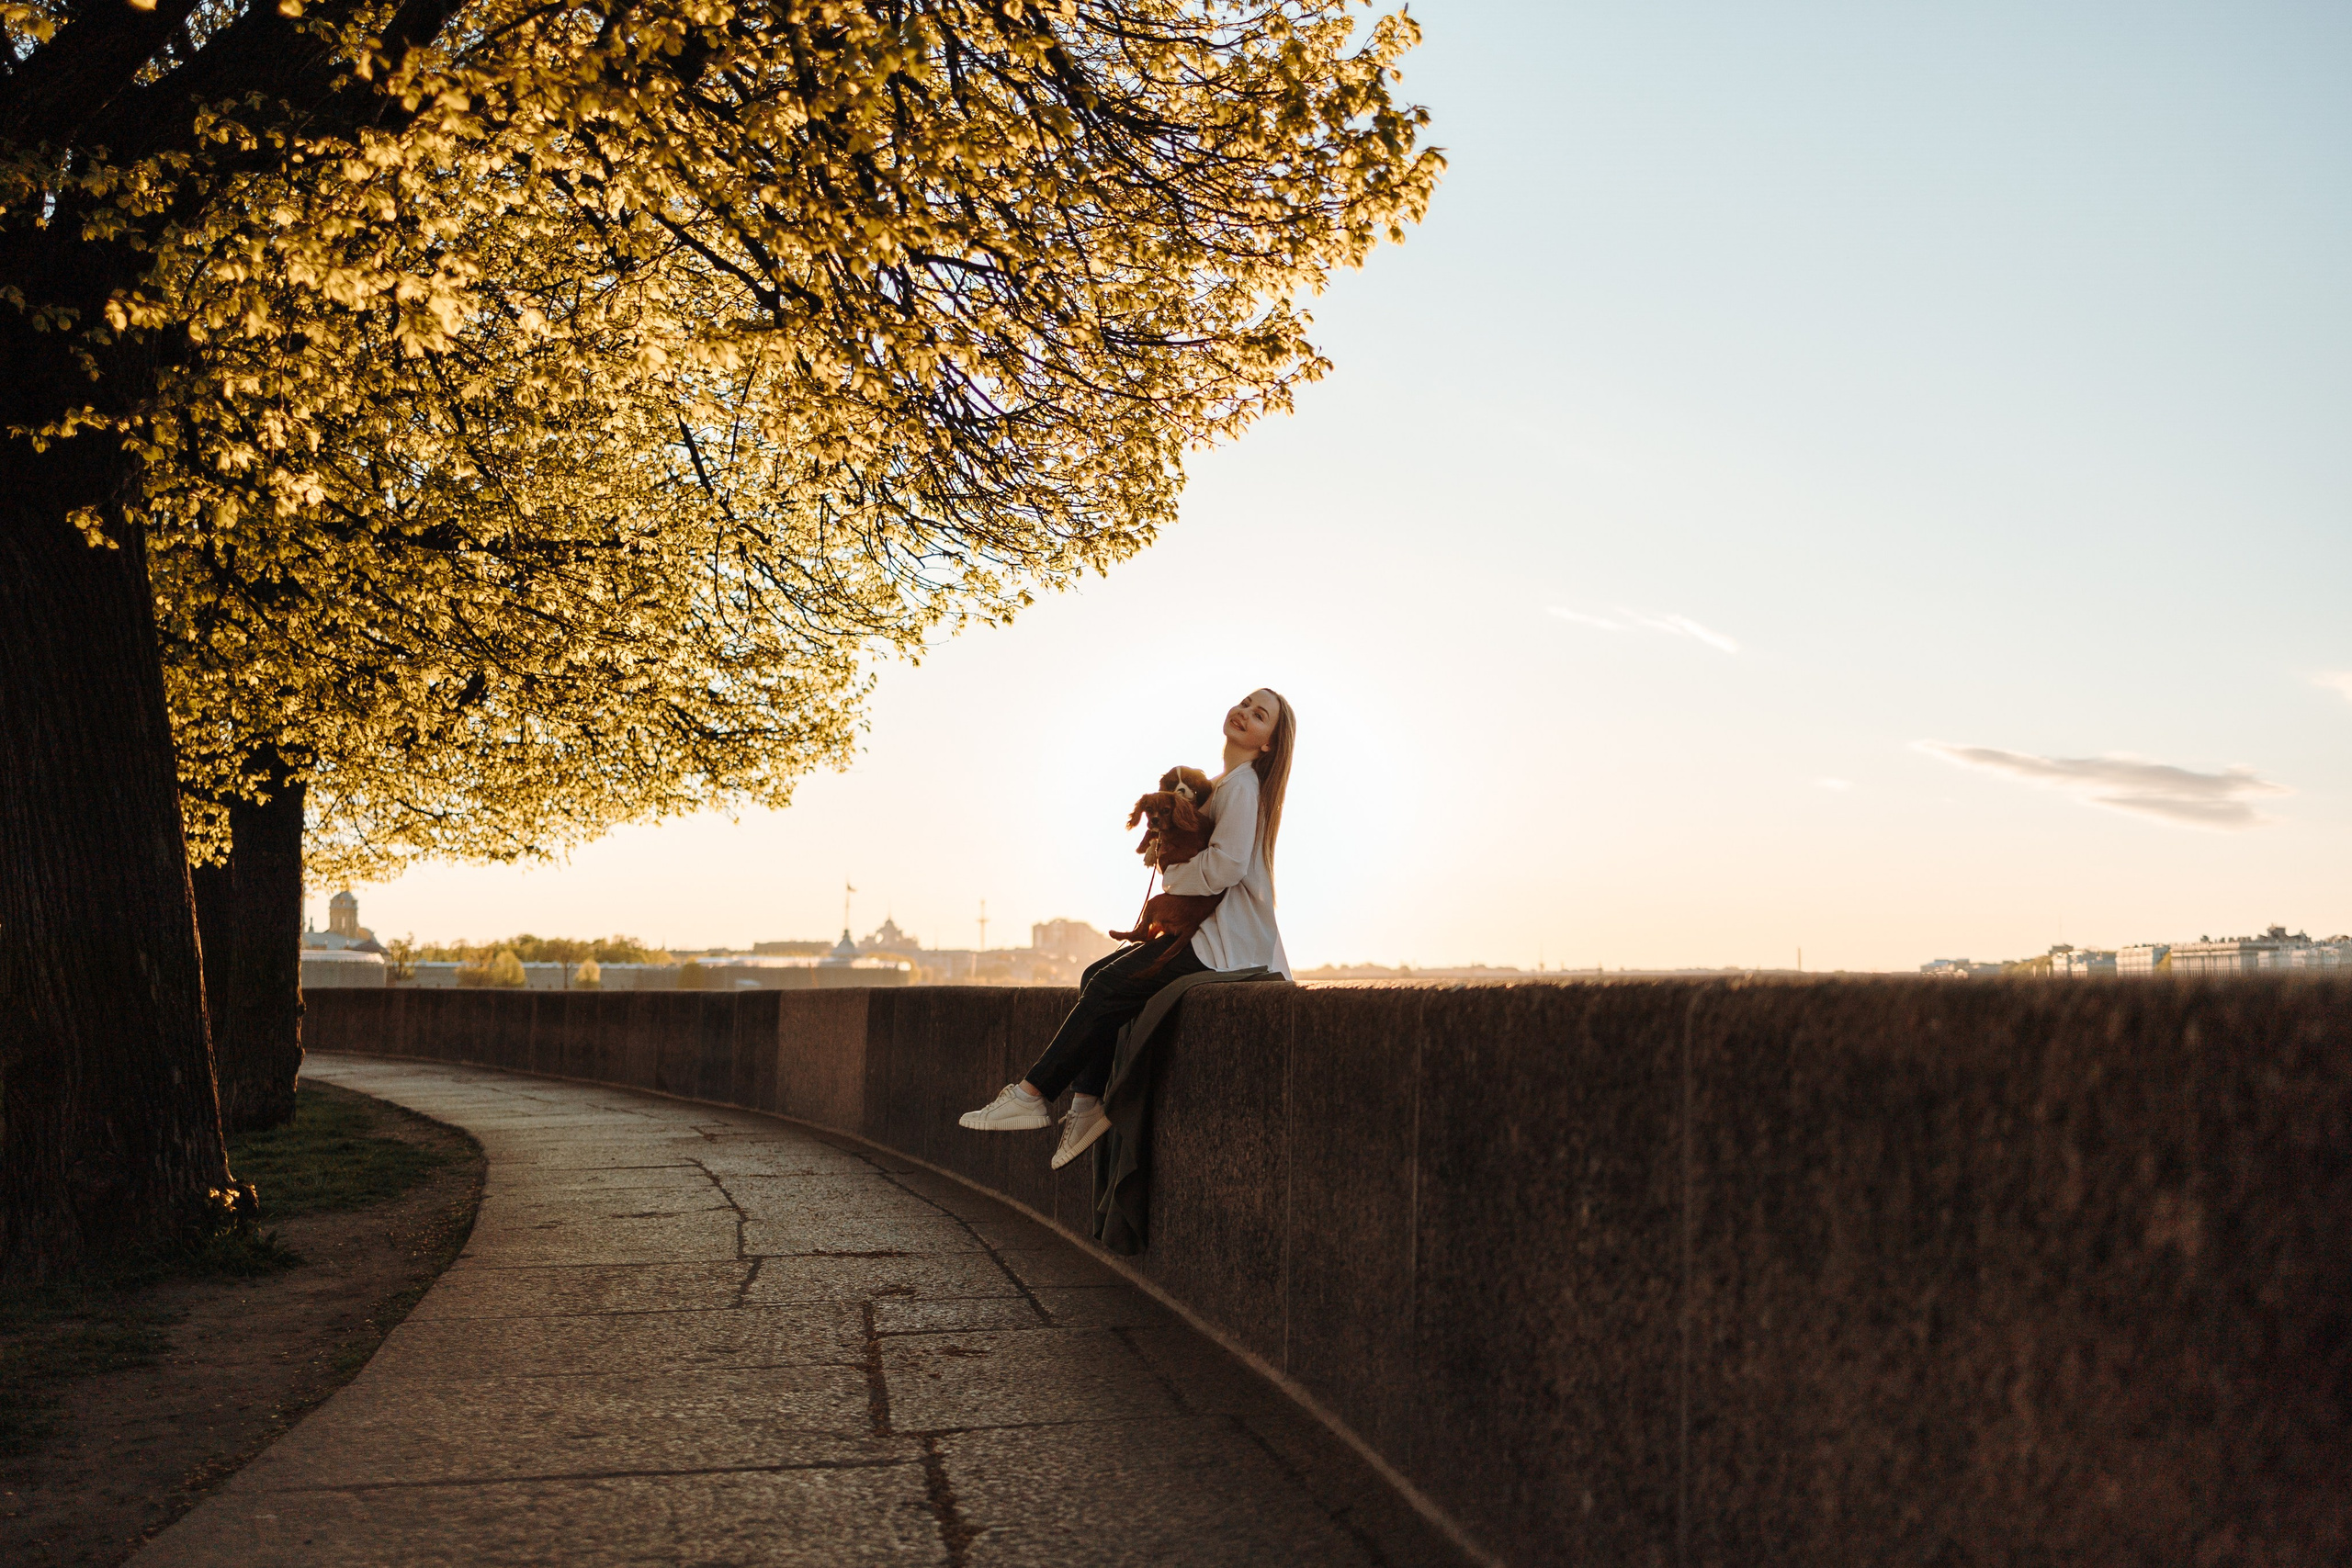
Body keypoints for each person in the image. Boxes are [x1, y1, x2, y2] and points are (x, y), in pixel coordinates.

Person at [958, 687, 1295, 1168]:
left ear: (1267, 743)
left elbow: (1226, 868)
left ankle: (1033, 1094)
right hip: (1203, 930)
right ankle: (1086, 1105)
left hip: (1225, 942)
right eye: (1244, 703)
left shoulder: (1242, 785)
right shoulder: (1219, 784)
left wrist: (1173, 874)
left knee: (1112, 982)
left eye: (1259, 715)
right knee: (1096, 976)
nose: (1244, 713)